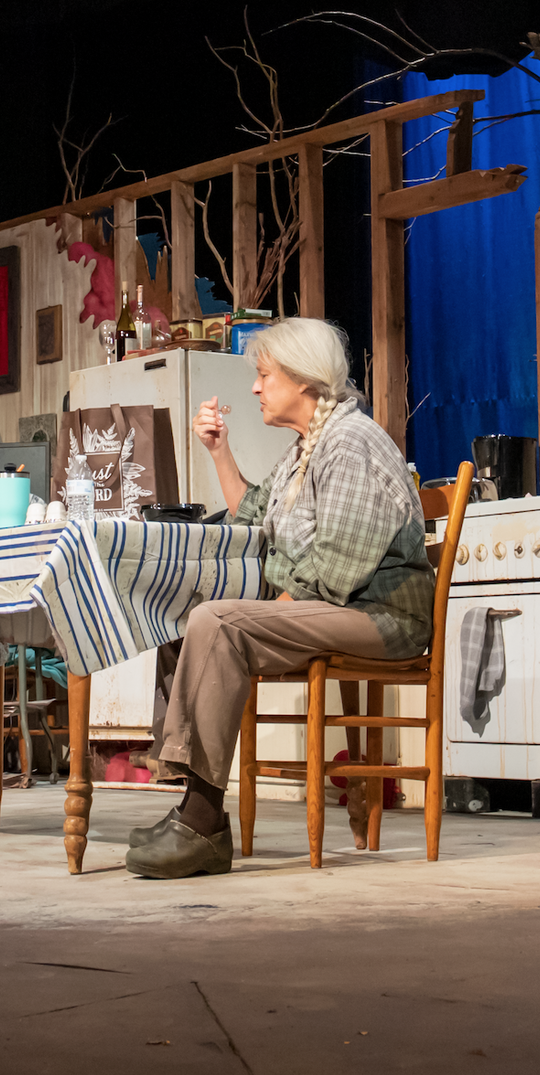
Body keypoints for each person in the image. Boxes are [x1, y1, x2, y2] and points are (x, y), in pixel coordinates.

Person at [124, 317, 432, 878]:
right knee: (184, 618)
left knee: (219, 623)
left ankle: (201, 821)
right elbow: (253, 518)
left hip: (380, 614)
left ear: (304, 379)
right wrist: (219, 452)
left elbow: (338, 568)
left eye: (265, 374)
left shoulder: (350, 443)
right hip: (337, 605)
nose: (256, 387)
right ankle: (192, 803)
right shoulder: (304, 449)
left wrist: (264, 612)